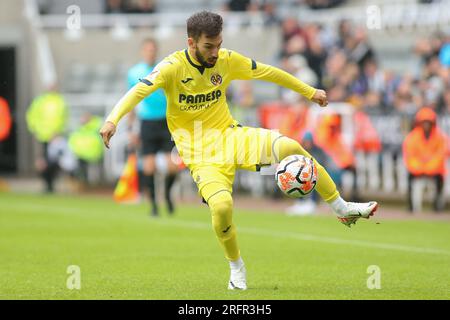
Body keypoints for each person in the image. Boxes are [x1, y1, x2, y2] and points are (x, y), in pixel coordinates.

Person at [100, 11, 378, 290]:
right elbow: (137, 91)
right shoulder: (171, 68)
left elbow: (268, 72)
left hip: (231, 137)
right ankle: (236, 266)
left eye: (219, 44)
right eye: (209, 46)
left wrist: (308, 91)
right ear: (191, 42)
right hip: (200, 155)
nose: (215, 52)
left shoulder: (226, 60)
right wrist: (113, 120)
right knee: (222, 208)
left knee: (290, 146)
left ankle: (342, 207)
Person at [127, 38, 179, 216]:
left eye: (152, 49)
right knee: (149, 167)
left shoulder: (164, 69)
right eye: (147, 49)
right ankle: (154, 206)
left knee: (173, 166)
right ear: (143, 51)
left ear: (156, 51)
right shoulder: (134, 73)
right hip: (147, 123)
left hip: (166, 121)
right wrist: (131, 128)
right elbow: (132, 101)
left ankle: (166, 195)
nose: (150, 52)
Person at [403, 107, 447, 212]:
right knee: (410, 178)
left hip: (433, 170)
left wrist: (429, 167)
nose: (426, 125)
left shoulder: (440, 137)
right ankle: (411, 207)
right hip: (418, 169)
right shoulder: (412, 137)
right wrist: (420, 168)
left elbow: (440, 155)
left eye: (429, 122)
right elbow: (410, 156)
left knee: (440, 179)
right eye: (424, 122)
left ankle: (437, 206)